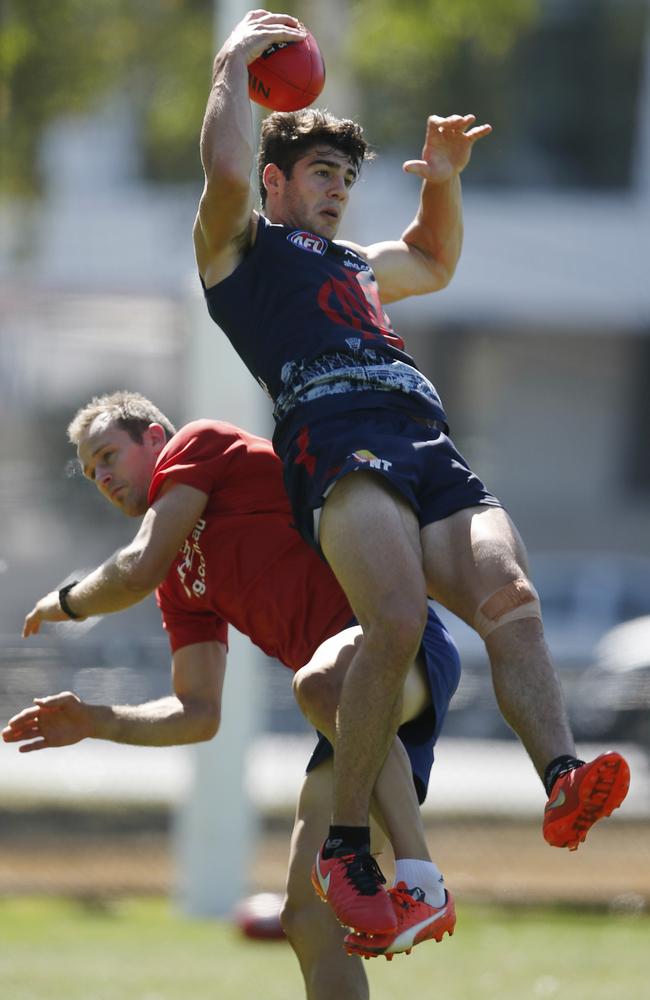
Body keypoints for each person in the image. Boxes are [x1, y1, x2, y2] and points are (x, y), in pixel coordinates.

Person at [192, 8, 631, 936]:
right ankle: (348, 843)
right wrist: (231, 63)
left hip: (426, 437)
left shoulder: (355, 261)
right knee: (391, 620)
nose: (339, 191)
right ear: (276, 179)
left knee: (511, 597)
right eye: (322, 174)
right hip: (336, 435)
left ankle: (561, 778)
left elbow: (432, 258)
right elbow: (225, 166)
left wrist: (443, 182)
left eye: (348, 179)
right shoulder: (240, 248)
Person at [3, 390, 460, 997]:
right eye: (90, 472)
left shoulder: (201, 443)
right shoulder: (177, 579)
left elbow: (135, 568)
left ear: (155, 439)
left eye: (109, 455)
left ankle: (422, 882)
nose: (103, 477)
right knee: (308, 916)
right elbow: (198, 713)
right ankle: (415, 881)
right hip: (342, 705)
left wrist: (65, 601)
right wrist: (96, 719)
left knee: (323, 684)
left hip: (398, 639)